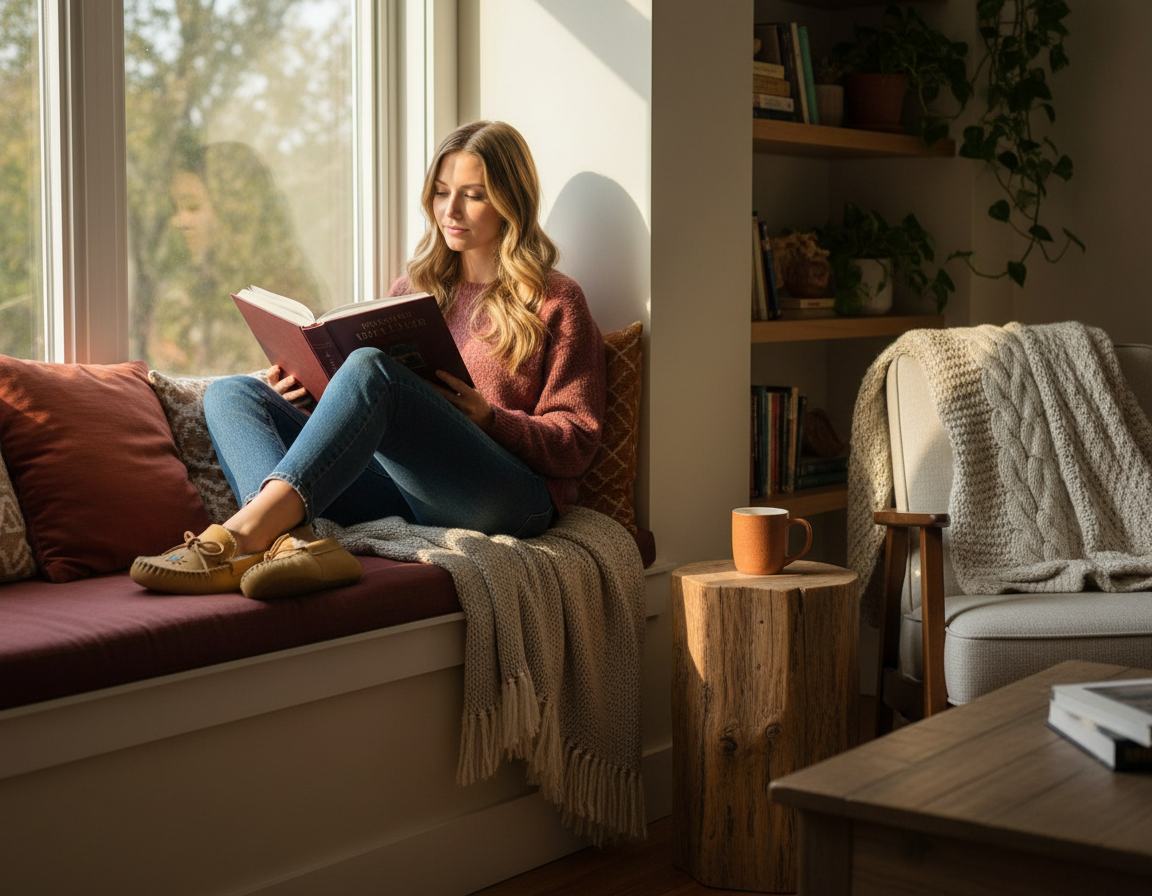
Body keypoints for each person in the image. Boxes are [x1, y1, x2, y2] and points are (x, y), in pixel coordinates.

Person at [130, 120, 607, 600]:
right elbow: (370, 416)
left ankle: (243, 534)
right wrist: (310, 396)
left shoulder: (555, 299)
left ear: (510, 201)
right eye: (441, 192)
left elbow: (578, 443)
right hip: (405, 488)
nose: (451, 210)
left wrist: (489, 418)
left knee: (372, 369)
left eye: (473, 195)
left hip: (507, 496)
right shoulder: (415, 290)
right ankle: (295, 542)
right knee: (234, 393)